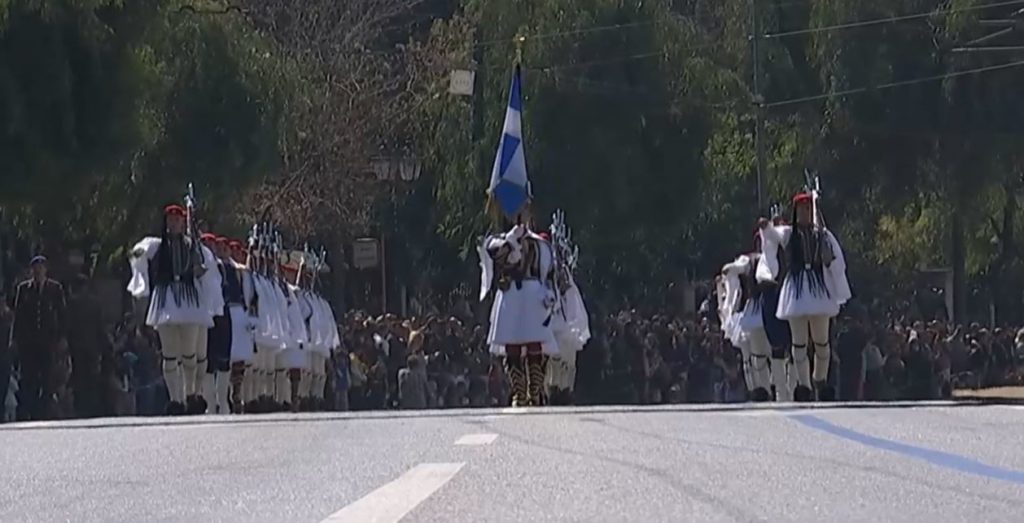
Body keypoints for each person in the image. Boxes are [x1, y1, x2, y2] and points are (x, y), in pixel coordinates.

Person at [759, 190, 851, 401]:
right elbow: (774, 235)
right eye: (801, 209)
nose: (804, 213)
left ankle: (820, 379)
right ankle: (804, 385)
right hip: (797, 289)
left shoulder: (823, 235)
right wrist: (766, 227)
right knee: (799, 343)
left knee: (822, 342)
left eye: (808, 209)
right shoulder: (789, 233)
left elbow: (836, 260)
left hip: (819, 288)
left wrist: (829, 261)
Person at [127, 204, 218, 415]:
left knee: (189, 354)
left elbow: (206, 271)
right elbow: (134, 253)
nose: (173, 224)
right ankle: (175, 399)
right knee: (169, 354)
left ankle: (190, 394)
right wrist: (140, 268)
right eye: (170, 220)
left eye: (177, 220)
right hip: (165, 300)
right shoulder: (156, 245)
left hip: (189, 301)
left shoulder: (192, 245)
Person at [478, 207, 559, 407]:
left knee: (534, 345)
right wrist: (511, 240)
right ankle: (519, 392)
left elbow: (549, 272)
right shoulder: (499, 240)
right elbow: (496, 255)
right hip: (511, 295)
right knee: (512, 346)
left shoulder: (539, 243)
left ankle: (535, 391)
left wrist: (551, 292)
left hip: (533, 294)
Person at [11, 255, 68, 420]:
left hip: (48, 341)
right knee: (29, 378)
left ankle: (45, 411)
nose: (38, 271)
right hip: (29, 343)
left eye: (41, 268)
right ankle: (32, 412)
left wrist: (62, 337)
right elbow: (18, 316)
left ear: (45, 270)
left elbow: (62, 314)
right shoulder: (24, 289)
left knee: (47, 378)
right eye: (35, 268)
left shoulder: (54, 289)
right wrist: (15, 339)